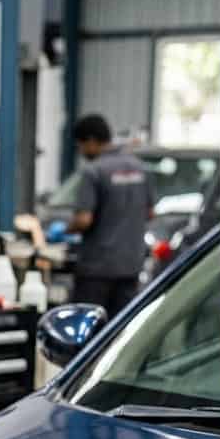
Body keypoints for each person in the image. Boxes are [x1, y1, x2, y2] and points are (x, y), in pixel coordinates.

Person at [68, 114, 155, 318]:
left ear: (91, 141)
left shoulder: (93, 171)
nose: (81, 152)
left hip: (96, 269)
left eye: (80, 146)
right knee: (121, 326)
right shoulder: (140, 168)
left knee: (91, 325)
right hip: (131, 266)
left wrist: (65, 229)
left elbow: (84, 220)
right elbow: (150, 213)